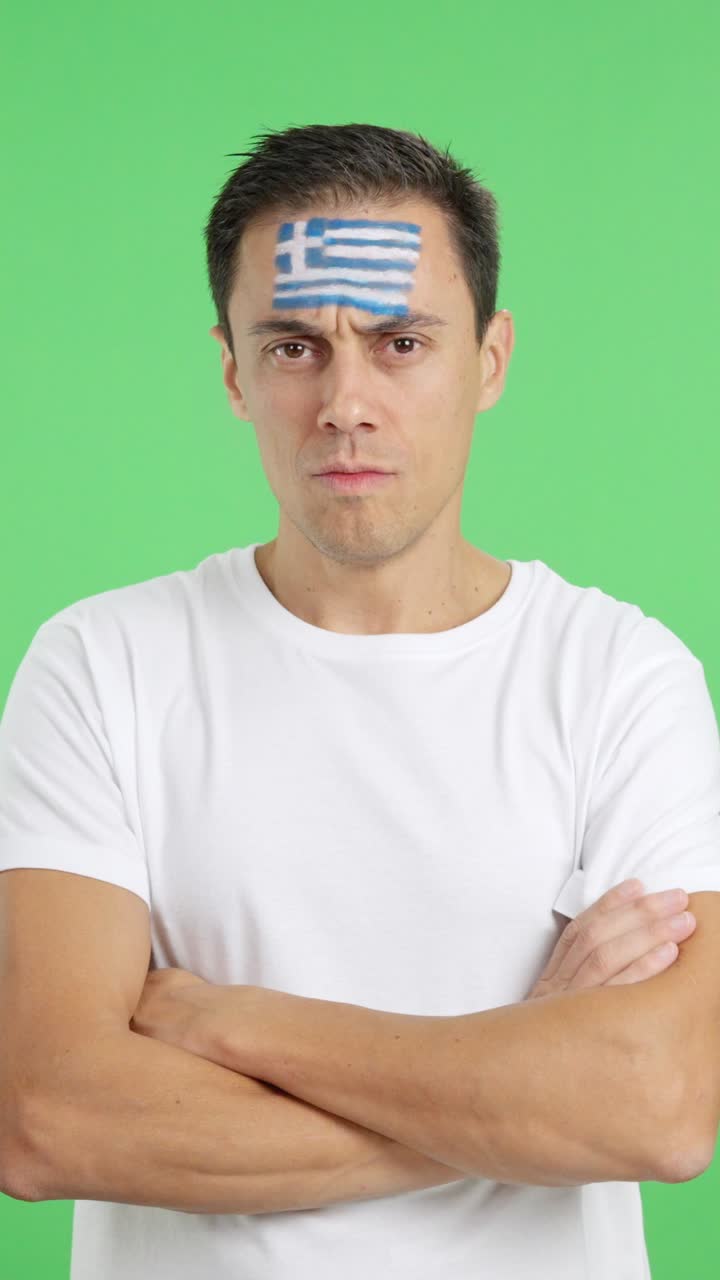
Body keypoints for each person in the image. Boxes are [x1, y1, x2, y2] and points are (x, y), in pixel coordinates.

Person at [1, 122, 719, 1280]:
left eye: (400, 342)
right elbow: (49, 1118)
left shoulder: (620, 676)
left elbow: (664, 1108)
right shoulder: (103, 663)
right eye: (294, 345)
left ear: (489, 359)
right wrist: (524, 1079)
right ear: (234, 369)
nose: (344, 401)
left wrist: (228, 1020)